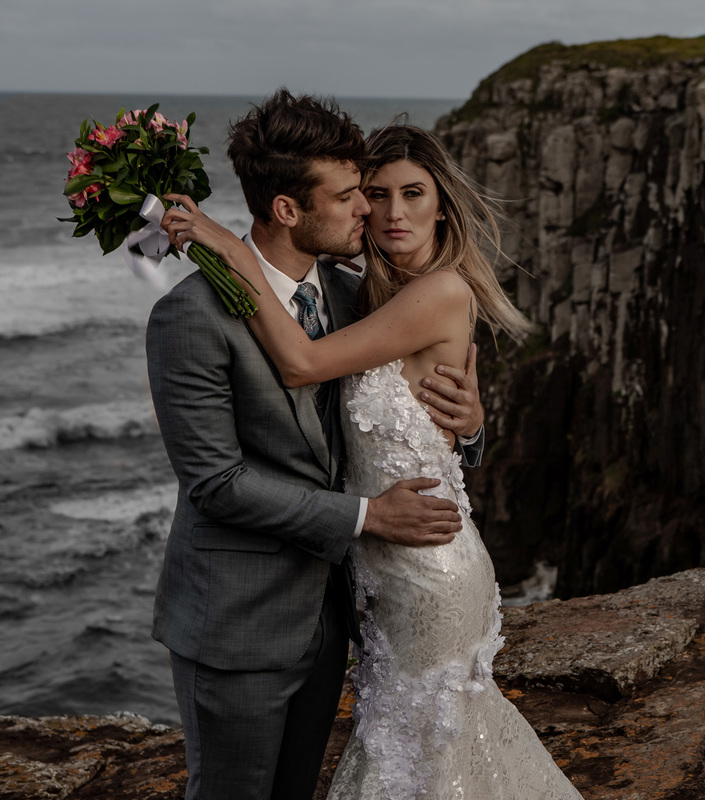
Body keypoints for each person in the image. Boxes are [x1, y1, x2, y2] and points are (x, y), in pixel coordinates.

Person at [161, 123, 583, 798]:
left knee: (427, 759)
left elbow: (312, 368)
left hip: (399, 585)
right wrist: (382, 502)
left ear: (441, 205)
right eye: (362, 194)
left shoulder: (364, 293)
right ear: (287, 208)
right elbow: (216, 482)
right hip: (263, 613)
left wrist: (469, 428)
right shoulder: (217, 310)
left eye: (407, 194)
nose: (375, 211)